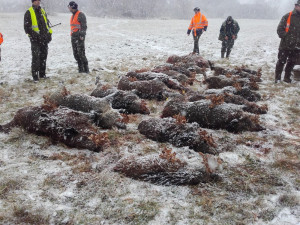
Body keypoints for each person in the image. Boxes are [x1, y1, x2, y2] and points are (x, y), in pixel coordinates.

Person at [24, 0, 52, 81]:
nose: (38, 2)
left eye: (39, 1)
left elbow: (47, 25)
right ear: (33, 2)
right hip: (35, 40)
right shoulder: (29, 12)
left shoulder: (42, 11)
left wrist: (49, 34)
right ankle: (35, 76)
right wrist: (36, 36)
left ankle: (42, 74)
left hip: (44, 39)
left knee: (44, 56)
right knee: (36, 57)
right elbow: (27, 28)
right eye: (36, 1)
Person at [275, 0, 300, 83]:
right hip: (285, 45)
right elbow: (280, 30)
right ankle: (277, 79)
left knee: (291, 63)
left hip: (297, 46)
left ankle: (287, 78)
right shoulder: (288, 16)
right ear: (296, 6)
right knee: (281, 62)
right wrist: (287, 38)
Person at [68, 1, 89, 73]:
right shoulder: (73, 15)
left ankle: (86, 69)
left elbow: (84, 26)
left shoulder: (81, 15)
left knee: (81, 53)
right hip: (73, 37)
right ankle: (80, 69)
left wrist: (81, 35)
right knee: (75, 54)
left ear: (72, 7)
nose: (68, 8)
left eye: (69, 7)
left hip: (79, 37)